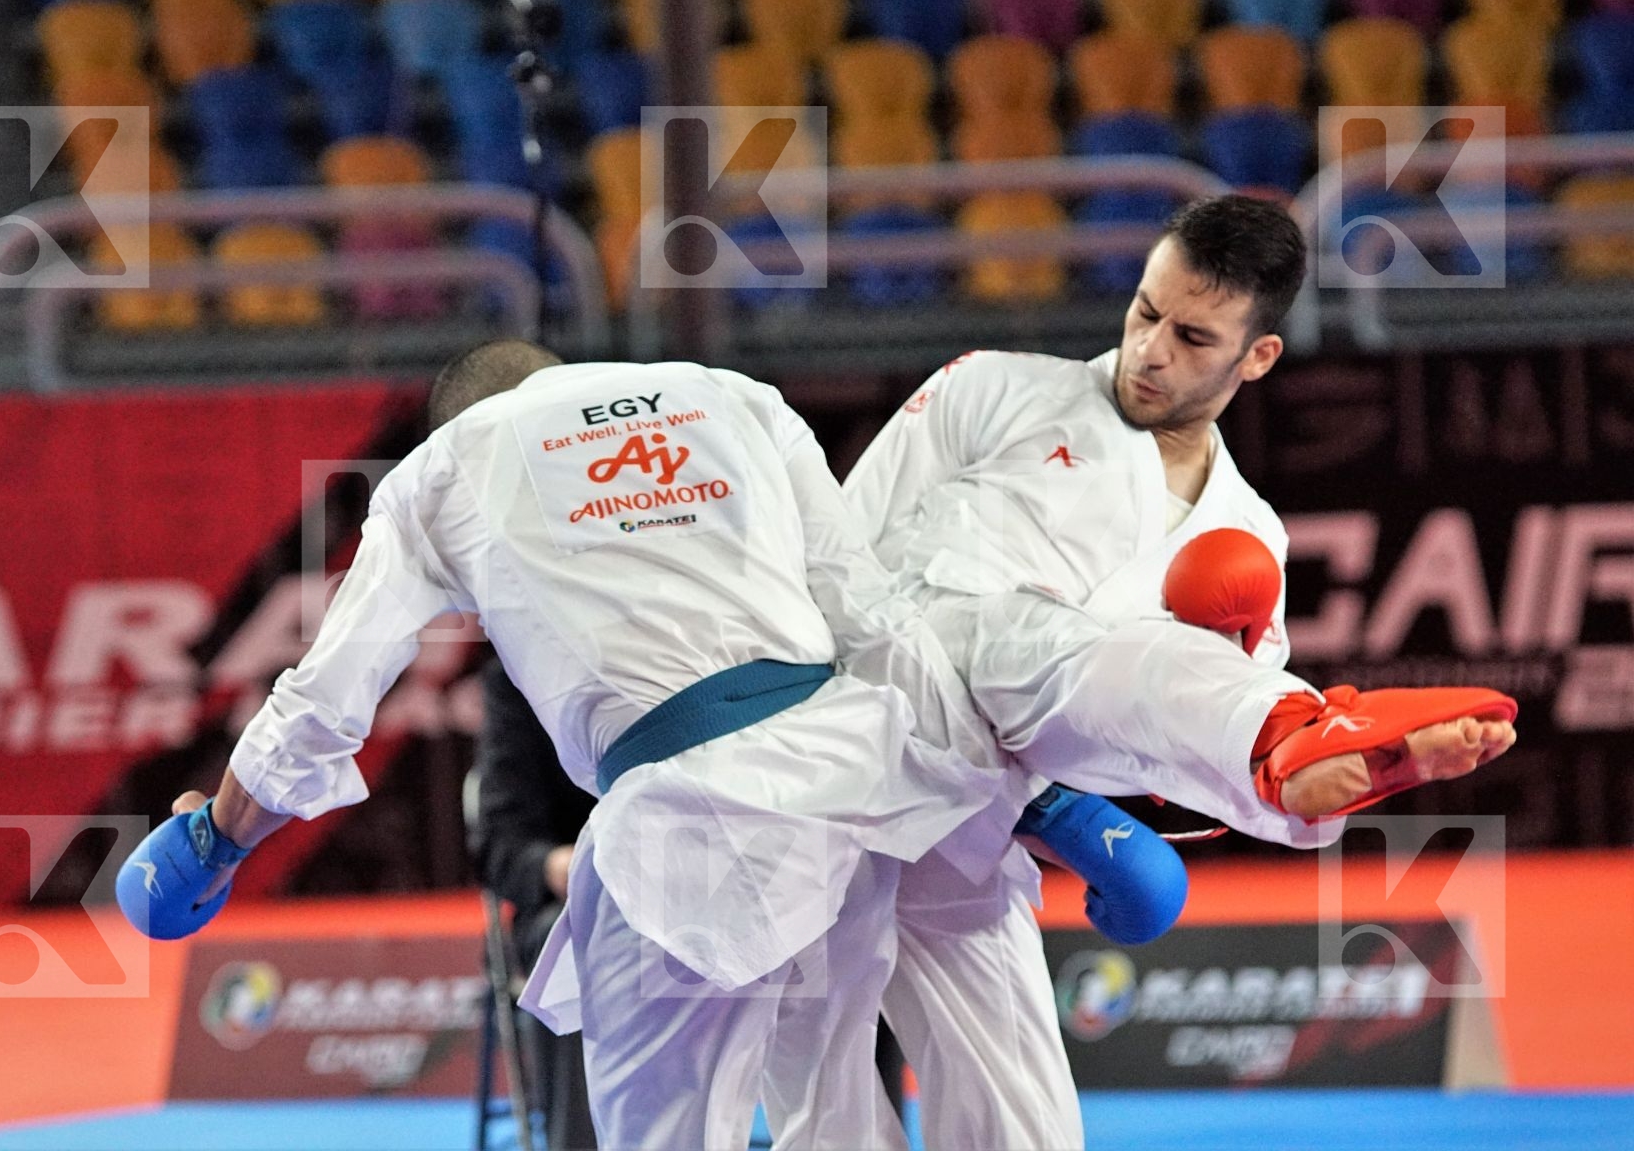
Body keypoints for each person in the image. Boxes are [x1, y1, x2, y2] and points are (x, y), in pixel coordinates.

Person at [114, 340, 1011, 1151]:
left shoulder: (446, 465)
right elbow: (873, 617)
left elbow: (326, 698)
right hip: (855, 794)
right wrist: (1023, 795)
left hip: (687, 832)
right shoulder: (734, 397)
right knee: (839, 1125)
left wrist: (215, 842)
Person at [843, 195, 1519, 1148]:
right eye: (1144, 312)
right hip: (865, 737)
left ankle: (1296, 760)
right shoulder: (992, 390)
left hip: (976, 818)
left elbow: (1171, 772)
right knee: (822, 1103)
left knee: (1025, 1130)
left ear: (1258, 357)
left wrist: (1067, 812)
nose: (1151, 350)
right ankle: (1290, 729)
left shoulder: (1247, 538)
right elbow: (837, 570)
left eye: (1194, 336)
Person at [473, 656, 597, 1150]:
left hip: (689, 899)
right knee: (572, 948)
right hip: (573, 907)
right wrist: (562, 866)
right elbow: (499, 847)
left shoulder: (680, 654)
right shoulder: (518, 680)